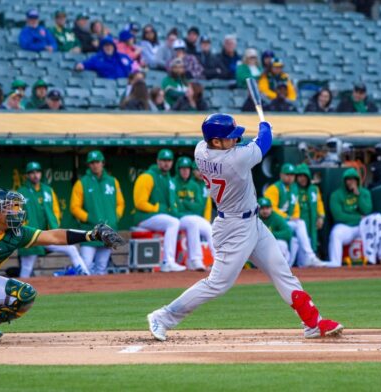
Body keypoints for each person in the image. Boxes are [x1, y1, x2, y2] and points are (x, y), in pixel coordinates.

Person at [147, 113, 343, 341]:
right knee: (217, 284)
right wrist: (265, 126)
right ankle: (163, 316)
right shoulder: (235, 160)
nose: (236, 140)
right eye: (230, 137)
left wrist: (246, 135)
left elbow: (243, 144)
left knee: (281, 269)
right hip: (233, 227)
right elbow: (264, 142)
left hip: (252, 222)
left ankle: (312, 323)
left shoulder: (201, 149)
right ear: (216, 142)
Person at [0, 188, 123, 345]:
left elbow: (53, 236)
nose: (16, 211)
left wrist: (90, 235)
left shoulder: (16, 233)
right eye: (10, 208)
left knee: (25, 295)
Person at [17, 162, 90, 277]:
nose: (35, 175)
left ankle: (85, 275)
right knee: (27, 268)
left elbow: (56, 210)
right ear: (27, 175)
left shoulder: (48, 190)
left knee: (71, 249)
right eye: (32, 173)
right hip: (31, 236)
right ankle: (18, 293)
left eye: (37, 172)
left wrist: (53, 226)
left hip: (46, 234)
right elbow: (17, 215)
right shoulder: (21, 192)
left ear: (41, 173)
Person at [70, 150, 125, 275]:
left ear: (103, 163)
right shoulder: (82, 183)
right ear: (89, 165)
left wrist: (115, 218)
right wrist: (89, 218)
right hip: (90, 231)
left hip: (108, 231)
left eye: (97, 162)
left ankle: (99, 294)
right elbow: (74, 207)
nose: (95, 165)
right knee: (86, 265)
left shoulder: (112, 181)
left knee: (101, 267)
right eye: (92, 162)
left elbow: (121, 203)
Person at [132, 149, 186, 272]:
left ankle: (193, 261)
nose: (166, 163)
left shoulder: (169, 179)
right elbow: (139, 203)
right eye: (163, 160)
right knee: (173, 223)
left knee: (189, 223)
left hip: (160, 217)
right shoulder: (147, 176)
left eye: (169, 160)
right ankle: (168, 261)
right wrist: (157, 208)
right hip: (144, 217)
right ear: (157, 161)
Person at [263, 163, 325, 267]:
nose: (290, 177)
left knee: (296, 236)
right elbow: (270, 209)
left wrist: (294, 217)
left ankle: (298, 262)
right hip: (274, 223)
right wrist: (288, 217)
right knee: (299, 224)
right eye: (287, 174)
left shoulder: (293, 189)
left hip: (287, 222)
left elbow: (296, 208)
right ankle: (310, 256)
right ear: (281, 175)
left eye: (292, 175)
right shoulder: (274, 188)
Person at [327, 168, 381, 267]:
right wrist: (359, 217)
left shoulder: (364, 193)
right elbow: (338, 216)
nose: (351, 182)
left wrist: (358, 195)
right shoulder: (336, 195)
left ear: (357, 181)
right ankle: (335, 263)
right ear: (344, 181)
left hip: (363, 226)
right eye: (348, 179)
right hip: (346, 226)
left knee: (378, 219)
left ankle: (380, 257)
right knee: (335, 233)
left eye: (353, 179)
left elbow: (367, 210)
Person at [173, 156, 215, 271]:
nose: (185, 171)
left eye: (187, 169)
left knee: (209, 228)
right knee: (193, 222)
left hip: (193, 216)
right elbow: (175, 204)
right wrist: (189, 204)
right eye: (182, 168)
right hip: (178, 217)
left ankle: (219, 261)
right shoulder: (173, 182)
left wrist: (184, 202)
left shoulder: (195, 186)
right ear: (178, 169)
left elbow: (198, 207)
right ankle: (196, 259)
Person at [293, 164, 326, 264]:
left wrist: (321, 216)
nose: (302, 179)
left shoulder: (314, 189)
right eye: (299, 176)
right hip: (297, 223)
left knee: (306, 261)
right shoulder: (292, 188)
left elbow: (319, 203)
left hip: (311, 224)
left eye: (304, 176)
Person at [257, 197, 293, 265]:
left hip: (274, 245)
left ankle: (282, 266)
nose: (265, 211)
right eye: (262, 208)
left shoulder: (276, 217)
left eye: (267, 208)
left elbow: (288, 233)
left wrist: (270, 234)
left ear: (271, 208)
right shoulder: (254, 218)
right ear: (258, 209)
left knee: (281, 244)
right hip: (261, 246)